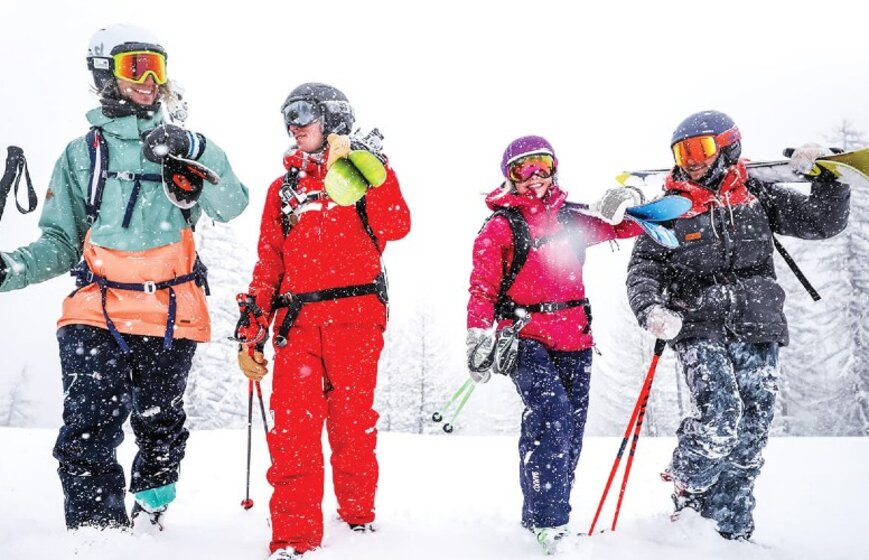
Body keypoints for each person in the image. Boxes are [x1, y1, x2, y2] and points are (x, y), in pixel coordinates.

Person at [0, 23, 248, 530]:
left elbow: (232, 205)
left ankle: (152, 508)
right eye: (136, 67)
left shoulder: (183, 149)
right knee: (88, 428)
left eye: (157, 68)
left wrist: (197, 147)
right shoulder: (83, 154)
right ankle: (98, 537)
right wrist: (12, 268)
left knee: (160, 426)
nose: (149, 80)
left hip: (170, 313)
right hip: (97, 310)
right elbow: (61, 242)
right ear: (105, 74)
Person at [626, 110, 850, 540]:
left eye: (700, 149)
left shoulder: (756, 195)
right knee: (720, 418)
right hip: (696, 323)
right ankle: (689, 486)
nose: (691, 160)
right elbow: (643, 269)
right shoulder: (671, 209)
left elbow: (822, 222)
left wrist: (828, 178)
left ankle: (729, 535)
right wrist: (651, 308)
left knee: (750, 435)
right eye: (682, 152)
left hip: (758, 322)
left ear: (728, 148)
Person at [235, 82, 410, 559]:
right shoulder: (283, 191)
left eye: (303, 114)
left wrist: (373, 168)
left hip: (357, 321)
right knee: (293, 433)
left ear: (332, 117)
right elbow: (270, 262)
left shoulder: (364, 177)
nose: (293, 125)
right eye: (287, 117)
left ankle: (357, 515)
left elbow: (397, 225)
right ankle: (294, 540)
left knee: (353, 426)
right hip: (298, 325)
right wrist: (252, 328)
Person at [465, 135, 644, 554]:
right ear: (509, 177)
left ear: (554, 169)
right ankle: (549, 522)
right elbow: (482, 289)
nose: (534, 177)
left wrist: (627, 199)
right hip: (525, 337)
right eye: (522, 169)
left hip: (575, 338)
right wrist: (477, 334)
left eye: (541, 166)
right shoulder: (500, 227)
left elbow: (628, 225)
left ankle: (545, 511)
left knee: (571, 430)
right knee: (552, 415)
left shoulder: (571, 219)